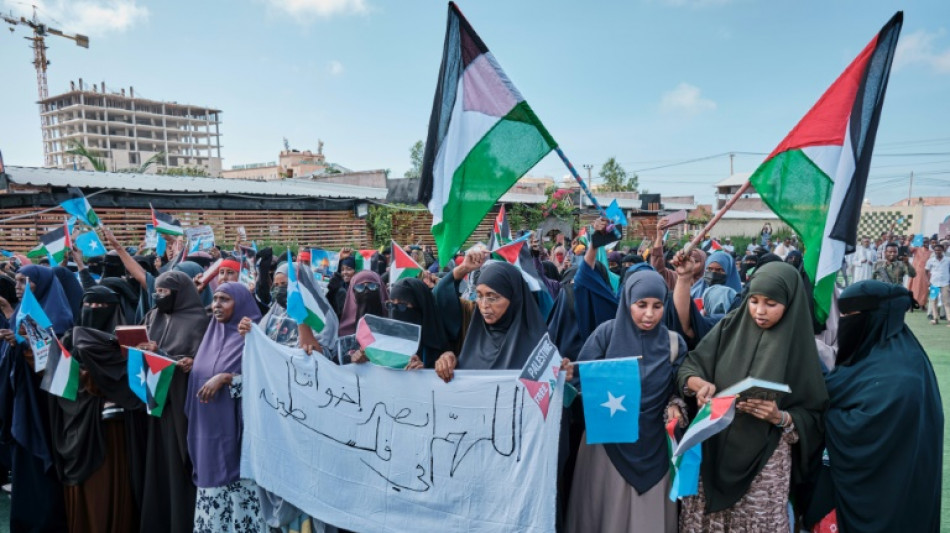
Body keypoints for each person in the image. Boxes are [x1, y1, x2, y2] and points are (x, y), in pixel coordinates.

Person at [677, 262, 828, 531]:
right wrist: (698, 385)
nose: (759, 311)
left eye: (771, 303)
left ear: (790, 303)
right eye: (754, 300)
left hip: (765, 463)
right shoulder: (729, 327)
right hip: (712, 450)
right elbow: (691, 366)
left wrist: (780, 417)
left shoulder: (800, 350)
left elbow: (814, 417)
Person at [805, 280, 943, 532]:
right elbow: (843, 385)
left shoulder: (902, 374)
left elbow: (867, 431)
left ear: (875, 317)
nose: (844, 322)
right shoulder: (871, 354)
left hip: (888, 498)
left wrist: (816, 415)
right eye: (842, 314)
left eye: (850, 315)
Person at [565, 270, 687, 533]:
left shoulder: (673, 343)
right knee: (606, 510)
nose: (649, 314)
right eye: (641, 305)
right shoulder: (606, 335)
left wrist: (676, 404)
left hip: (654, 444)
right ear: (627, 301)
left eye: (657, 306)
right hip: (607, 443)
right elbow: (579, 380)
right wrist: (575, 381)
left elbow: (679, 387)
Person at [51, 286, 138, 533]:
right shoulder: (69, 339)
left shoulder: (126, 344)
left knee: (108, 490)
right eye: (88, 305)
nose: (93, 310)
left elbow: (131, 384)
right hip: (76, 427)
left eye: (101, 306)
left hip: (112, 433)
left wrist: (98, 381)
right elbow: (59, 384)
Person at [0, 266, 73, 532]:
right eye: (17, 281)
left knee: (43, 467)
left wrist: (23, 344)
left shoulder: (59, 317)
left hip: (44, 406)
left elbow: (57, 363)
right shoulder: (21, 313)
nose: (18, 287)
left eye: (25, 282)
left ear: (41, 285)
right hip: (22, 401)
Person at [186, 283, 265, 530]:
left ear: (240, 303)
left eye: (225, 299)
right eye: (215, 299)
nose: (217, 305)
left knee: (241, 506)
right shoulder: (210, 336)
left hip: (240, 437)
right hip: (208, 436)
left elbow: (264, 382)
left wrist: (226, 378)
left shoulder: (253, 335)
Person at [139, 270, 209, 533]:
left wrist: (164, 354)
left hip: (182, 406)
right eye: (156, 291)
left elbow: (200, 363)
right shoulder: (153, 316)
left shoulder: (198, 321)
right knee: (158, 465)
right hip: (156, 401)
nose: (159, 297)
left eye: (164, 292)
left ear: (179, 294)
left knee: (179, 465)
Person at [434, 261, 550, 381]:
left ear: (514, 298)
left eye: (492, 297)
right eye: (479, 296)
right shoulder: (473, 339)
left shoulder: (541, 350)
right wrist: (449, 361)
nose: (484, 305)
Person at [337, 270, 388, 337]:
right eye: (359, 287)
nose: (366, 291)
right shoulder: (344, 334)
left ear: (381, 289)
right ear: (352, 292)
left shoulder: (392, 326)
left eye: (372, 286)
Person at [925, 243, 949, 325]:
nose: (937, 251)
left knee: (946, 302)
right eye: (936, 250)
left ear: (943, 250)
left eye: (939, 250)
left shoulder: (948, 260)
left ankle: (949, 320)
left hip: (945, 283)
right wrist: (928, 281)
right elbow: (926, 271)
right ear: (934, 251)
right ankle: (935, 319)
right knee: (933, 301)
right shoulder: (931, 260)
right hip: (934, 283)